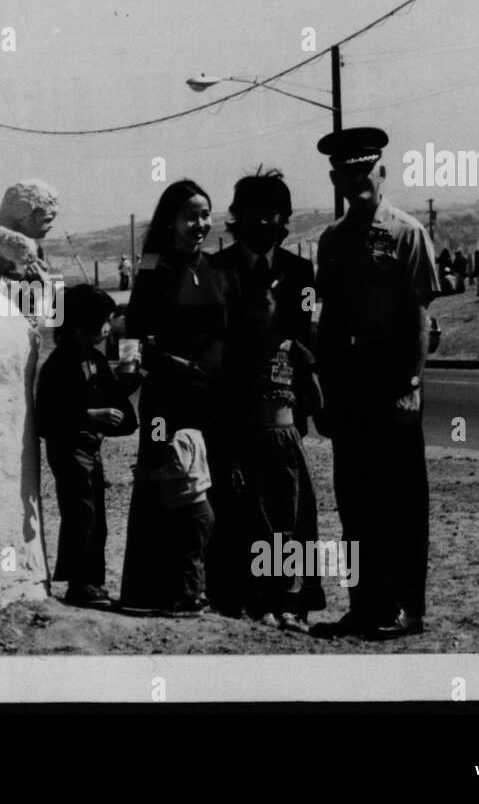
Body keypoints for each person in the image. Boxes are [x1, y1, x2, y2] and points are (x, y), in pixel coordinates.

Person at [310, 127, 440, 640]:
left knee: (402, 499)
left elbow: (419, 317)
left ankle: (407, 607)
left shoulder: (409, 233)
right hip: (349, 378)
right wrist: (324, 388)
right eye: (346, 172)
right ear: (335, 178)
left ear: (381, 173)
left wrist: (411, 381)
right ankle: (365, 605)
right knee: (356, 499)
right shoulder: (332, 240)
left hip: (393, 377)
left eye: (365, 169)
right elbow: (332, 319)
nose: (356, 179)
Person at [209, 168, 324, 627]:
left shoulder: (301, 272)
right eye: (253, 213)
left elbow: (308, 338)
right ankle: (243, 599)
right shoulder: (215, 271)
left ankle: (291, 602)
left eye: (273, 213)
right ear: (237, 217)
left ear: (285, 219)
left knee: (289, 509)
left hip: (282, 414)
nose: (264, 222)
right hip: (232, 413)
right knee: (239, 506)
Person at [118, 179, 228, 615]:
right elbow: (134, 332)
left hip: (212, 393)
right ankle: (155, 591)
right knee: (166, 483)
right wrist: (146, 371)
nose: (199, 223)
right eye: (190, 215)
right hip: (167, 396)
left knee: (208, 489)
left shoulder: (218, 268)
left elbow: (225, 329)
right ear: (171, 221)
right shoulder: (152, 267)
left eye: (205, 214)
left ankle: (207, 588)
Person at [35, 285, 139, 607]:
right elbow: (47, 417)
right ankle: (80, 586)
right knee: (82, 516)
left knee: (96, 518)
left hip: (89, 449)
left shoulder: (94, 358)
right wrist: (92, 414)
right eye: (103, 322)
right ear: (80, 326)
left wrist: (129, 379)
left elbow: (120, 406)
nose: (108, 328)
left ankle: (92, 582)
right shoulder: (59, 364)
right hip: (68, 449)